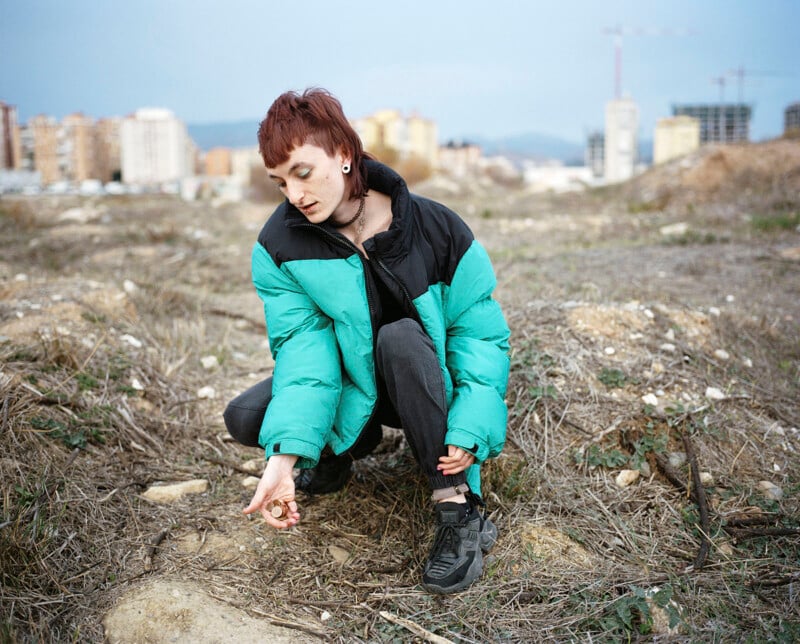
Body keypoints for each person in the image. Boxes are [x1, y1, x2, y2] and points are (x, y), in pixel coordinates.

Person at [223, 88, 510, 594]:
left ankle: (460, 512)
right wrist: (285, 461)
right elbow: (305, 355)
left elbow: (478, 337)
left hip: (425, 384)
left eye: (303, 172)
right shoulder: (279, 247)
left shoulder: (437, 227)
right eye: (280, 181)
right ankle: (333, 458)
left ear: (344, 154)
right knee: (247, 418)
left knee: (400, 338)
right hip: (354, 384)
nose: (294, 194)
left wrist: (470, 424)